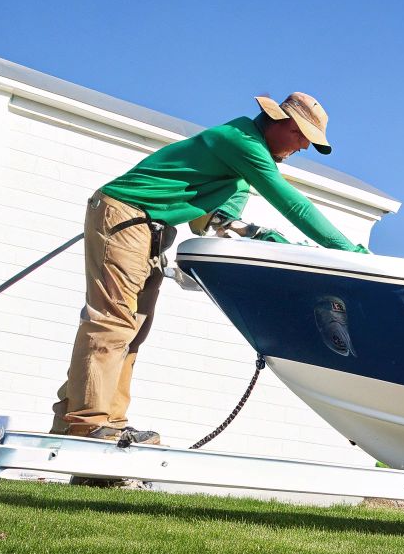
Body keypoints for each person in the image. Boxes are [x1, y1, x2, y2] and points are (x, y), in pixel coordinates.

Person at [51, 93, 368, 444]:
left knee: (134, 329)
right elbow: (295, 207)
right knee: (114, 321)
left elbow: (210, 224)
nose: (304, 146)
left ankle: (98, 420)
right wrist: (351, 253)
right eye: (302, 135)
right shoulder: (241, 140)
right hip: (126, 216)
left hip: (152, 229)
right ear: (280, 122)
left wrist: (258, 236)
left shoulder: (238, 169)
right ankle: (88, 424)